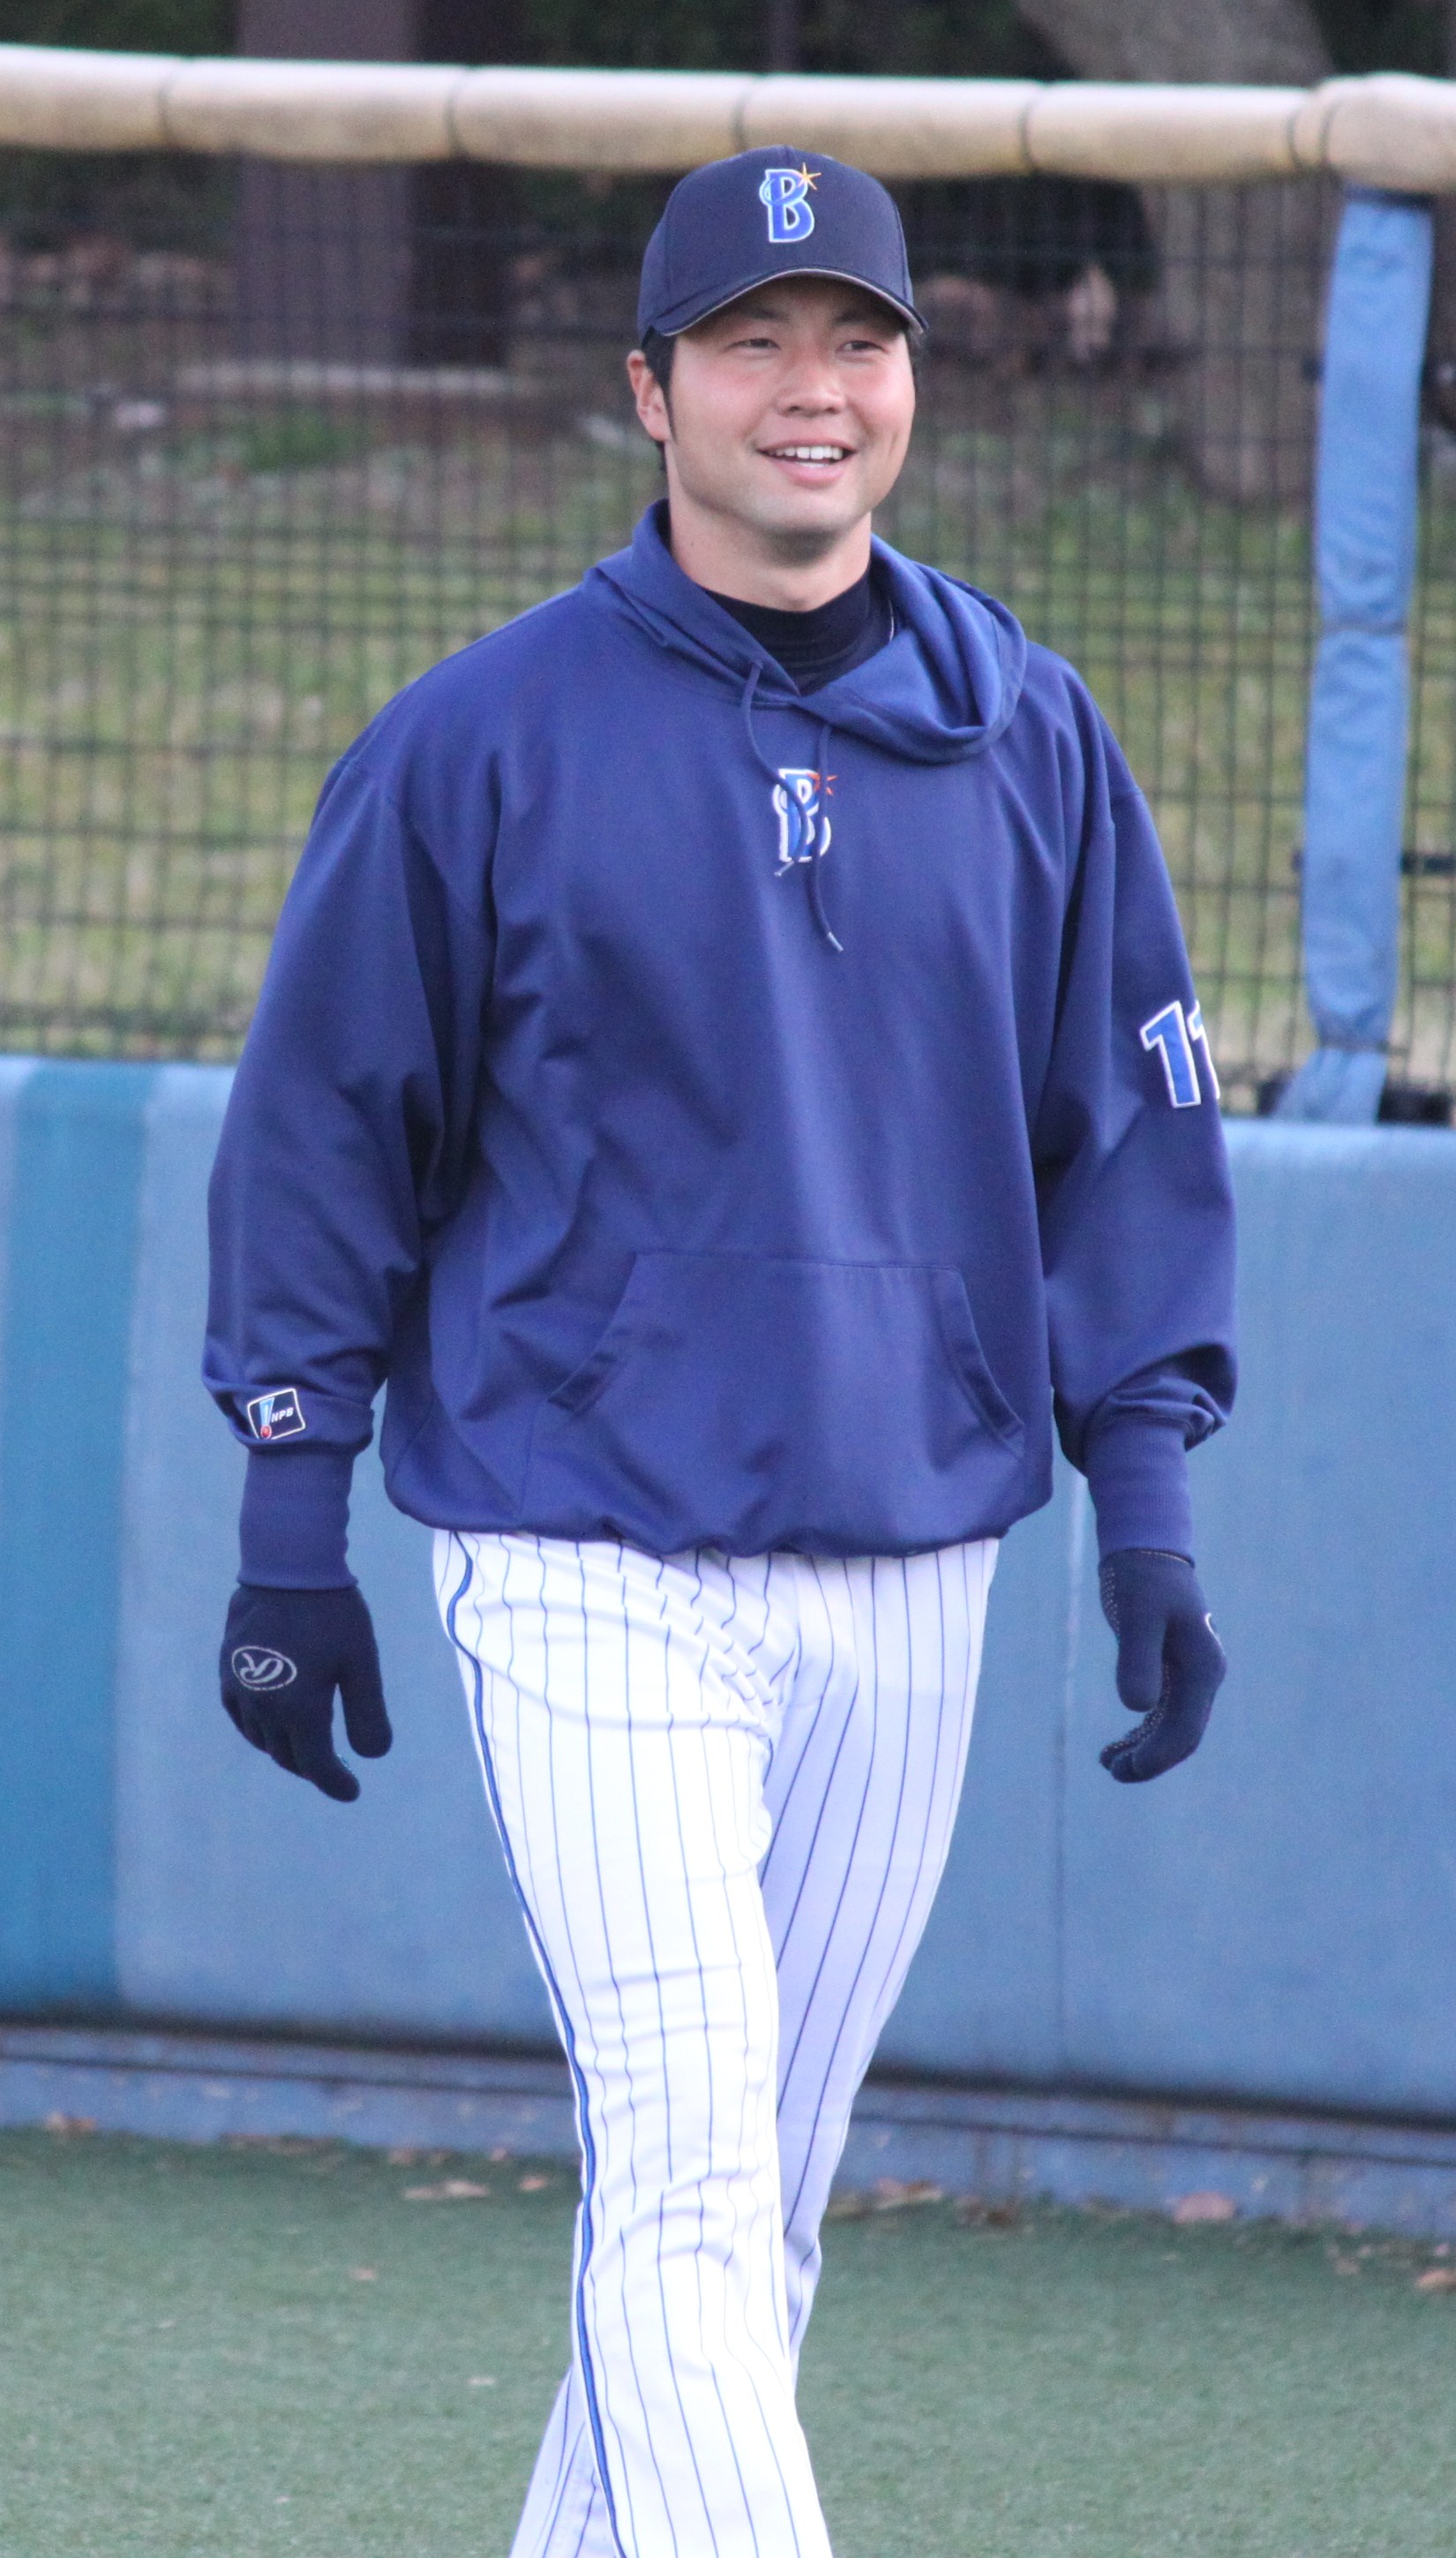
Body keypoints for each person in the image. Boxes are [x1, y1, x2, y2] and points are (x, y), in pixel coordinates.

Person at [206, 147, 1234, 2558]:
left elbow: (1125, 1140)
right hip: (583, 1543)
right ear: (646, 388)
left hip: (910, 1553)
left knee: (747, 2207)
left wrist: (1149, 1494)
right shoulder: (480, 743)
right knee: (679, 2166)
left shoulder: (1031, 733)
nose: (812, 389)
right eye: (753, 342)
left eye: (854, 340)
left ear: (911, 384)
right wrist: (288, 1520)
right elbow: (325, 1133)